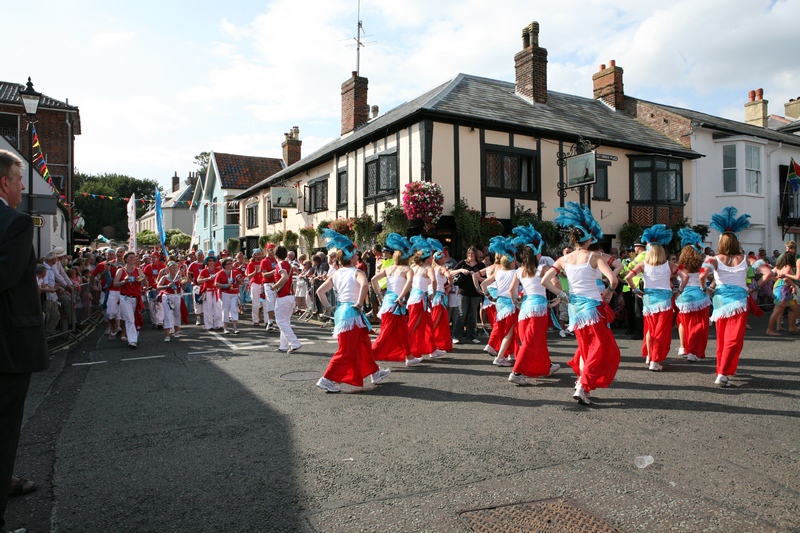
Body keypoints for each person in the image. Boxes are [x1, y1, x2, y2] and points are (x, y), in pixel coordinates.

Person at [0, 150, 50, 533]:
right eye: (19, 179)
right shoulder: (14, 223)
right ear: (4, 182)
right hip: (6, 344)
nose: (21, 185)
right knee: (4, 426)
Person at [541, 202, 620, 405]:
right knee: (602, 348)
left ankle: (581, 384)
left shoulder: (564, 259)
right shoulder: (594, 256)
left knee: (586, 348)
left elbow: (544, 281)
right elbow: (613, 280)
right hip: (592, 308)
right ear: (589, 239)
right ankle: (583, 385)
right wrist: (610, 292)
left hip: (576, 308)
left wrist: (562, 294)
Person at [315, 229, 391, 393]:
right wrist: (358, 303)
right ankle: (327, 379)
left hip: (343, 312)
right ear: (351, 257)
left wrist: (328, 307)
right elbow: (365, 284)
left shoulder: (336, 274)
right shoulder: (357, 272)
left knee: (363, 344)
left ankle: (375, 373)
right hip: (352, 312)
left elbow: (320, 291)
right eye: (356, 255)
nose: (358, 257)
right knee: (347, 350)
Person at [705, 207, 753, 387]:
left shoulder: (714, 259)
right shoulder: (747, 259)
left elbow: (702, 274)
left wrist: (707, 289)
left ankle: (722, 369)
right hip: (739, 302)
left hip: (720, 301)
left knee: (723, 338)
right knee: (734, 339)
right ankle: (723, 373)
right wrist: (753, 287)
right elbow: (767, 272)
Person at [507, 225, 559, 385]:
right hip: (539, 309)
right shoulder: (543, 269)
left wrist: (516, 303)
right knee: (531, 341)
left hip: (525, 309)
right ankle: (516, 372)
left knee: (536, 340)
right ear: (537, 254)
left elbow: (511, 290)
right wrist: (559, 296)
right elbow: (556, 281)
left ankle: (546, 366)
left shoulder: (519, 271)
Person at [625, 225, 677, 372]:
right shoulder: (670, 264)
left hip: (648, 299)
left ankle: (649, 355)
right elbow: (684, 275)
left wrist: (635, 290)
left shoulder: (643, 264)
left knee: (650, 329)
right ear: (661, 251)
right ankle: (655, 359)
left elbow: (628, 276)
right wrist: (679, 289)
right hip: (665, 301)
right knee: (661, 330)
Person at [370, 233, 421, 366]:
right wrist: (400, 297)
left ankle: (409, 357)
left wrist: (380, 296)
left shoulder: (389, 268)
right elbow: (409, 284)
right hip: (395, 304)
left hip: (388, 302)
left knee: (402, 332)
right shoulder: (407, 269)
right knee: (386, 333)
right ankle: (368, 357)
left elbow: (373, 280)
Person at [480, 236, 520, 367]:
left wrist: (489, 297)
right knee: (510, 332)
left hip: (499, 303)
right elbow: (512, 290)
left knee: (503, 330)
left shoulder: (499, 272)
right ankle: (500, 357)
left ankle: (510, 353)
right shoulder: (515, 273)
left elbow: (483, 284)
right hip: (510, 304)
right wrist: (516, 301)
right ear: (512, 260)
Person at [674, 228, 713, 362]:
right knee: (699, 326)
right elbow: (711, 278)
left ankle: (683, 347)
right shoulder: (703, 265)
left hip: (684, 298)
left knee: (683, 323)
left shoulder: (679, 266)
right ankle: (694, 351)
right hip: (700, 297)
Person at [407, 236, 439, 359]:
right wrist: (434, 292)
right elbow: (434, 280)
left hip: (414, 297)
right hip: (420, 299)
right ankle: (406, 349)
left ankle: (432, 349)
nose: (432, 258)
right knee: (414, 325)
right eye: (431, 256)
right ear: (427, 258)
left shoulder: (414, 268)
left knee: (428, 323)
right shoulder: (428, 268)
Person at [271, 246, 301, 353]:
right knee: (285, 321)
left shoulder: (280, 264)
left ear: (276, 255)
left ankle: (294, 342)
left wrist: (274, 286)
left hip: (283, 296)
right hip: (290, 295)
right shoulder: (289, 264)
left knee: (281, 322)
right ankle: (283, 345)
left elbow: (284, 277)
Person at [113, 251, 145, 348]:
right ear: (126, 259)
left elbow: (144, 284)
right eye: (131, 257)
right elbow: (115, 284)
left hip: (136, 298)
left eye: (134, 257)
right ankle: (132, 341)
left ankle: (133, 335)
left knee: (135, 318)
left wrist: (142, 279)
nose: (133, 259)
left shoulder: (138, 270)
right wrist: (123, 281)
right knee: (130, 319)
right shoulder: (121, 271)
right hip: (125, 298)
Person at [451, 246, 483, 344]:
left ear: (476, 254)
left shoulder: (481, 265)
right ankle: (456, 336)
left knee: (472, 315)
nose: (470, 255)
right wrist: (461, 270)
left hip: (475, 293)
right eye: (469, 253)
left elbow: (485, 279)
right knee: (461, 314)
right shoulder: (462, 263)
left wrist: (475, 275)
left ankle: (471, 336)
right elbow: (450, 272)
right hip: (463, 292)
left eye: (472, 253)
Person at [429, 240, 453, 357]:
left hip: (433, 296)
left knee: (439, 321)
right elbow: (449, 276)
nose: (445, 258)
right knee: (436, 321)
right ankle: (431, 346)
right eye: (443, 256)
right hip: (439, 296)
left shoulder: (431, 268)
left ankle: (436, 344)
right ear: (440, 259)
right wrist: (450, 285)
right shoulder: (441, 268)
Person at [766, 252, 798, 336]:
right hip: (783, 289)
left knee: (794, 308)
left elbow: (770, 274)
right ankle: (769, 330)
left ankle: (792, 328)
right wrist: (793, 285)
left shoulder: (778, 266)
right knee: (777, 310)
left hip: (780, 287)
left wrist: (776, 279)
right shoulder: (788, 266)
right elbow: (786, 278)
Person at [158, 261, 188, 341]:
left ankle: (177, 332)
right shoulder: (165, 277)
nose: (175, 269)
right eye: (173, 267)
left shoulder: (179, 277)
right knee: (167, 315)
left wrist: (185, 283)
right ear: (169, 269)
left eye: (176, 267)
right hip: (167, 297)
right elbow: (158, 286)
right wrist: (167, 286)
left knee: (177, 314)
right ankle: (167, 335)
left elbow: (184, 288)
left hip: (177, 296)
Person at [215, 258, 242, 334]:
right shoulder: (220, 273)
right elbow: (216, 284)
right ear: (224, 265)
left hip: (234, 293)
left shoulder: (235, 272)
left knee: (234, 309)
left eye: (231, 263)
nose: (231, 265)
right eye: (229, 264)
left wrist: (239, 281)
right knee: (225, 310)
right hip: (225, 293)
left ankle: (235, 327)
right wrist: (225, 285)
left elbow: (239, 281)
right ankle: (225, 327)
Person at [197, 256, 223, 331]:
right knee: (208, 308)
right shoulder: (204, 271)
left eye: (213, 260)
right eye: (210, 260)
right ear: (207, 262)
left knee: (218, 307)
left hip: (216, 291)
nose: (211, 262)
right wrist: (207, 279)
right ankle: (209, 325)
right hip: (208, 291)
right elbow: (198, 280)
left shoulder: (218, 270)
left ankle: (219, 324)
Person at [245, 248, 264, 325]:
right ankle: (255, 320)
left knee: (265, 303)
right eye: (258, 254)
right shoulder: (251, 264)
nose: (259, 256)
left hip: (263, 284)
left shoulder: (263, 262)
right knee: (255, 303)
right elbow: (249, 276)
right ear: (254, 255)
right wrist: (255, 271)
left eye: (260, 254)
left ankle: (266, 320)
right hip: (255, 284)